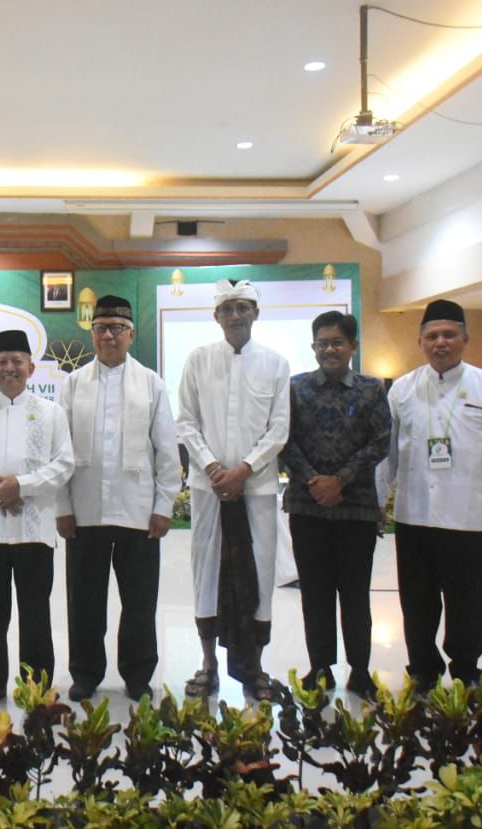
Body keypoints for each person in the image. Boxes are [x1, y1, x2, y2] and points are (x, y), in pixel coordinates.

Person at [376, 299, 482, 691]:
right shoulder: (403, 390)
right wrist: (377, 500)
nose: (440, 342)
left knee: (467, 600)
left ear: (465, 339)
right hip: (414, 515)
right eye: (432, 336)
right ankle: (422, 669)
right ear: (420, 343)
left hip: (467, 515)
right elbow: (387, 453)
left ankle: (466, 669)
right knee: (417, 601)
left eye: (448, 335)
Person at [56, 295, 180, 703]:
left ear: (131, 334)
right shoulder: (73, 384)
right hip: (85, 511)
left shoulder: (151, 383)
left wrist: (163, 506)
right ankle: (85, 673)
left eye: (117, 328)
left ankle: (138, 674)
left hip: (138, 512)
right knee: (84, 601)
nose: (108, 335)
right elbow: (59, 451)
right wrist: (62, 507)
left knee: (139, 602)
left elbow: (166, 450)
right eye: (101, 328)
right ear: (92, 334)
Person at [175, 279, 289, 700]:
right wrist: (212, 466)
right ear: (216, 316)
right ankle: (208, 664)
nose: (236, 315)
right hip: (209, 489)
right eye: (228, 309)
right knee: (206, 571)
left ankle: (254, 666)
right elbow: (186, 422)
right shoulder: (198, 360)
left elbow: (280, 428)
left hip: (256, 489)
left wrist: (243, 469)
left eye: (243, 307)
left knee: (259, 573)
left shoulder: (276, 364)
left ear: (256, 313)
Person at [0, 330, 74, 709]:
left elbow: (64, 464)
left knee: (35, 613)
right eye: (2, 362)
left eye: (17, 361)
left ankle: (37, 686)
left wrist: (20, 486)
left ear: (31, 368)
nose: (10, 368)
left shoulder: (52, 412)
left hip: (34, 528)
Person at [280, 311, 390, 699]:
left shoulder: (372, 389)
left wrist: (340, 480)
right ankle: (321, 668)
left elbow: (380, 442)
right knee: (315, 593)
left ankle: (360, 671)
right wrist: (315, 481)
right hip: (307, 507)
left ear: (353, 346)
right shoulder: (295, 388)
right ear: (313, 347)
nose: (329, 349)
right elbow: (284, 440)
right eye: (322, 343)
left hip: (356, 508)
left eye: (337, 342)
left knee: (355, 594)